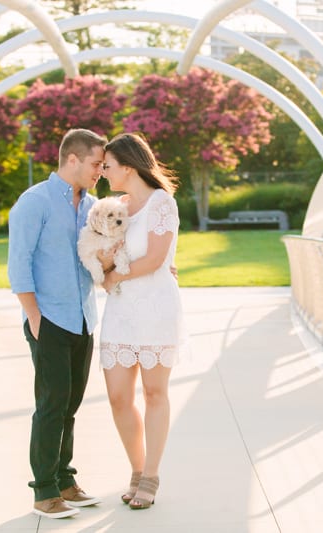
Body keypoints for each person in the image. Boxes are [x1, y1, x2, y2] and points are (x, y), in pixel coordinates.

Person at [7, 128, 105, 519]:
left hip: (84, 318)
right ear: (73, 159)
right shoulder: (35, 203)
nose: (101, 170)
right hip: (48, 320)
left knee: (70, 405)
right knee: (50, 405)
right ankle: (44, 491)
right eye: (96, 163)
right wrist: (34, 316)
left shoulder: (93, 205)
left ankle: (65, 480)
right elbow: (19, 264)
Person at [96, 132, 183, 510]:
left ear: (128, 167)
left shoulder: (161, 203)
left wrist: (115, 275)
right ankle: (136, 469)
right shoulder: (114, 207)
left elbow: (156, 260)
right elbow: (104, 256)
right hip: (120, 312)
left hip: (155, 308)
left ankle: (151, 474)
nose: (102, 172)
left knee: (154, 393)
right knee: (118, 398)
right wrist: (104, 266)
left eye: (108, 166)